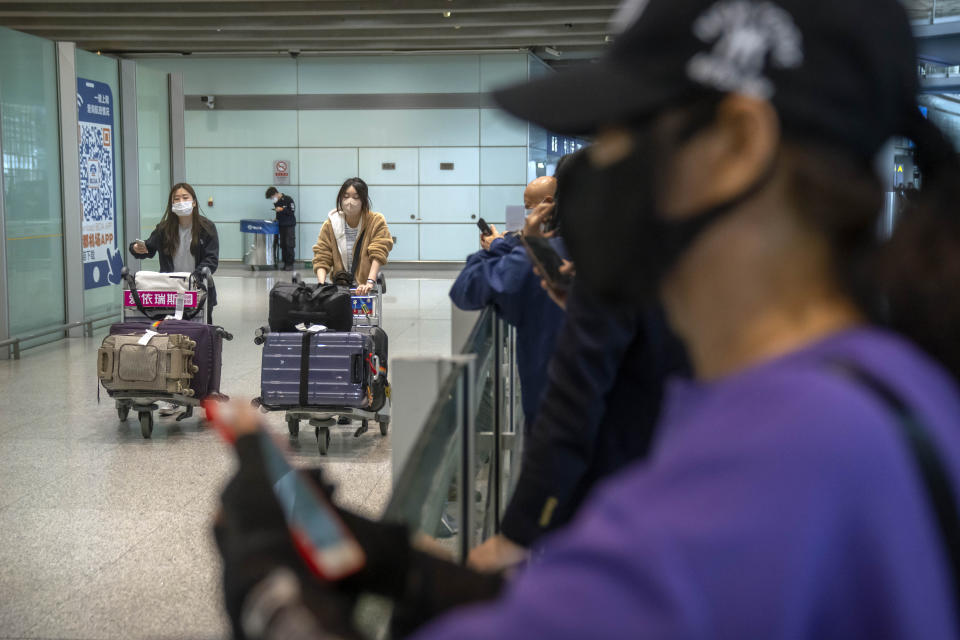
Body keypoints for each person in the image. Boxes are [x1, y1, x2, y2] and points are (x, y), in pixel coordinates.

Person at [216, 0, 960, 637]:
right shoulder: (890, 385)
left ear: (735, 145)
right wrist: (411, 575)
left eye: (623, 132)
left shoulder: (768, 472)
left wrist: (269, 583)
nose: (601, 170)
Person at [449, 176, 566, 428]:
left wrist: (501, 247)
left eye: (529, 208)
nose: (525, 214)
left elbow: (466, 288)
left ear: (548, 206)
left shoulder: (536, 262)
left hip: (551, 422)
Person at [130, 182, 220, 415]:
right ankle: (172, 394)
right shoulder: (164, 229)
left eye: (185, 197)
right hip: (170, 292)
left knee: (201, 340)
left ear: (194, 201)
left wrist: (199, 276)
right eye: (176, 199)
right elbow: (148, 248)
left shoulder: (207, 228)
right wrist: (136, 247)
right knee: (170, 341)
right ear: (171, 205)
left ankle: (204, 390)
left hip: (198, 294)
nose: (181, 202)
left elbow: (211, 260)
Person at [312, 178, 393, 295]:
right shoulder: (330, 224)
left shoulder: (376, 221)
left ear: (364, 200)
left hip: (364, 287)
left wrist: (369, 282)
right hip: (340, 288)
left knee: (365, 313)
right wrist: (321, 284)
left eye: (356, 197)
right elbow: (322, 255)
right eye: (345, 196)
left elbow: (379, 251)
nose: (350, 201)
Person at [265, 187, 297, 271]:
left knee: (289, 244)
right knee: (283, 245)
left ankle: (290, 264)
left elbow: (291, 212)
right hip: (281, 225)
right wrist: (276, 218)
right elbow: (278, 213)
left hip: (289, 225)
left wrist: (282, 209)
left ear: (275, 193)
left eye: (272, 197)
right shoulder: (276, 202)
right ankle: (285, 263)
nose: (272, 199)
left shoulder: (288, 199)